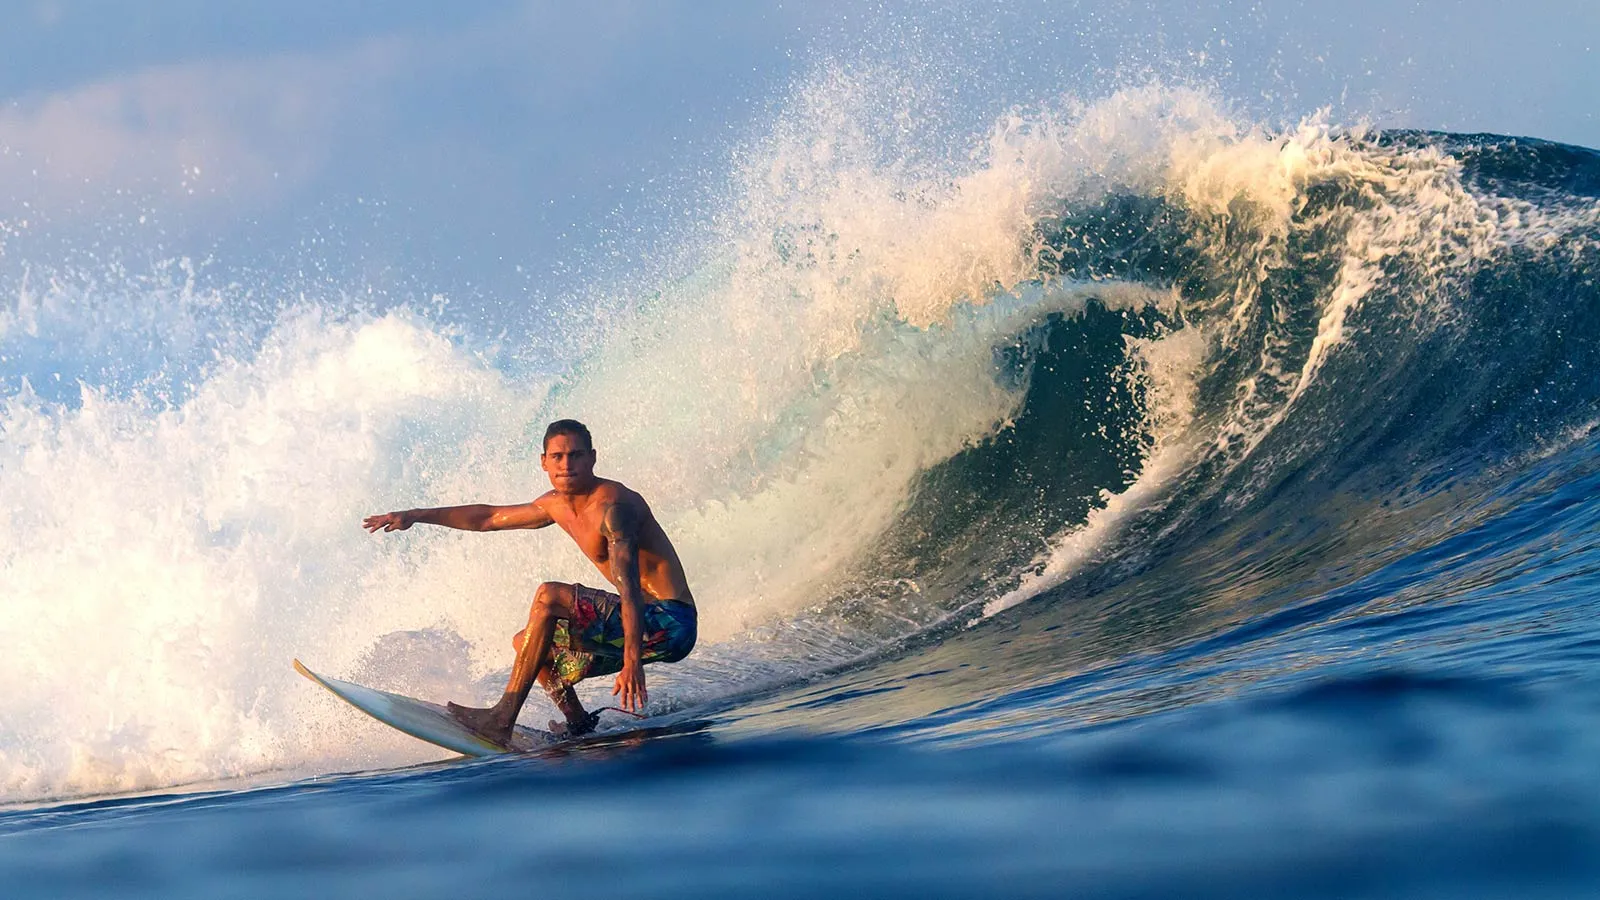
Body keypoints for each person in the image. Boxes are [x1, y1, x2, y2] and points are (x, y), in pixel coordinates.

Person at [361, 419, 697, 743]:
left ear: (592, 458)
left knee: (549, 596)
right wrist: (416, 516)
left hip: (669, 621)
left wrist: (632, 661)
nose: (566, 464)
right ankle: (578, 723)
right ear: (544, 462)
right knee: (529, 643)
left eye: (576, 455)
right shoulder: (555, 505)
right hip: (641, 623)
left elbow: (629, 589)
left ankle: (501, 719)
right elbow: (488, 517)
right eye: (557, 457)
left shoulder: (614, 507)